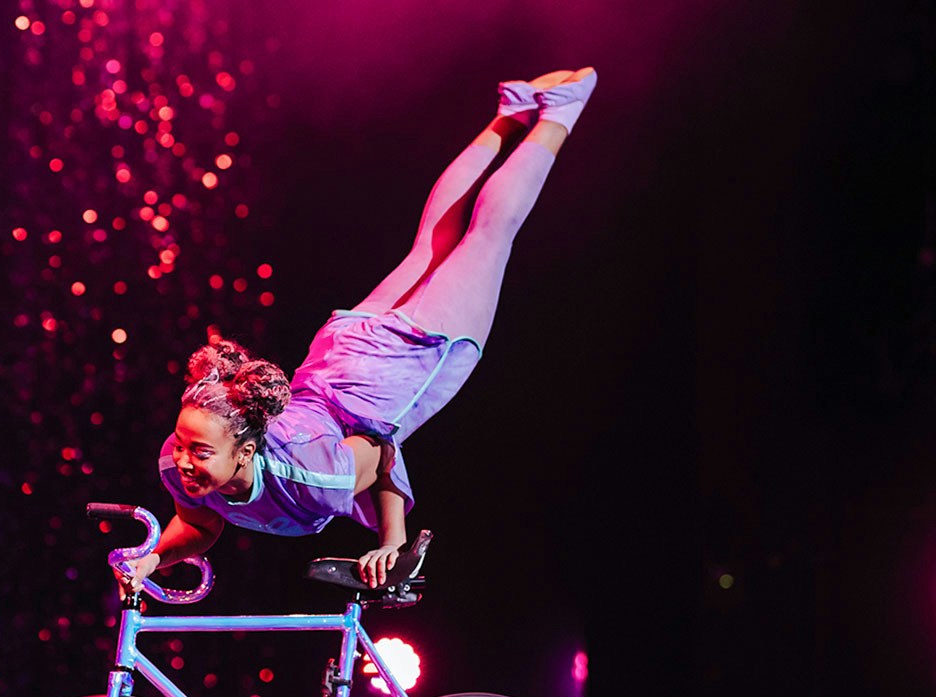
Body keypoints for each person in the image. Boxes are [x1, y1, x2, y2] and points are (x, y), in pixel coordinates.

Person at [119, 69, 597, 595]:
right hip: (338, 355)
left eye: (199, 452)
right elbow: (200, 525)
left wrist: (393, 541)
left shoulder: (313, 480)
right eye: (185, 444)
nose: (183, 458)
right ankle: (512, 111)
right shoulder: (177, 459)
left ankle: (559, 113)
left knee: (489, 233)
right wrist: (152, 560)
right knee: (430, 244)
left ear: (247, 452)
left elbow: (381, 450)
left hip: (394, 364)